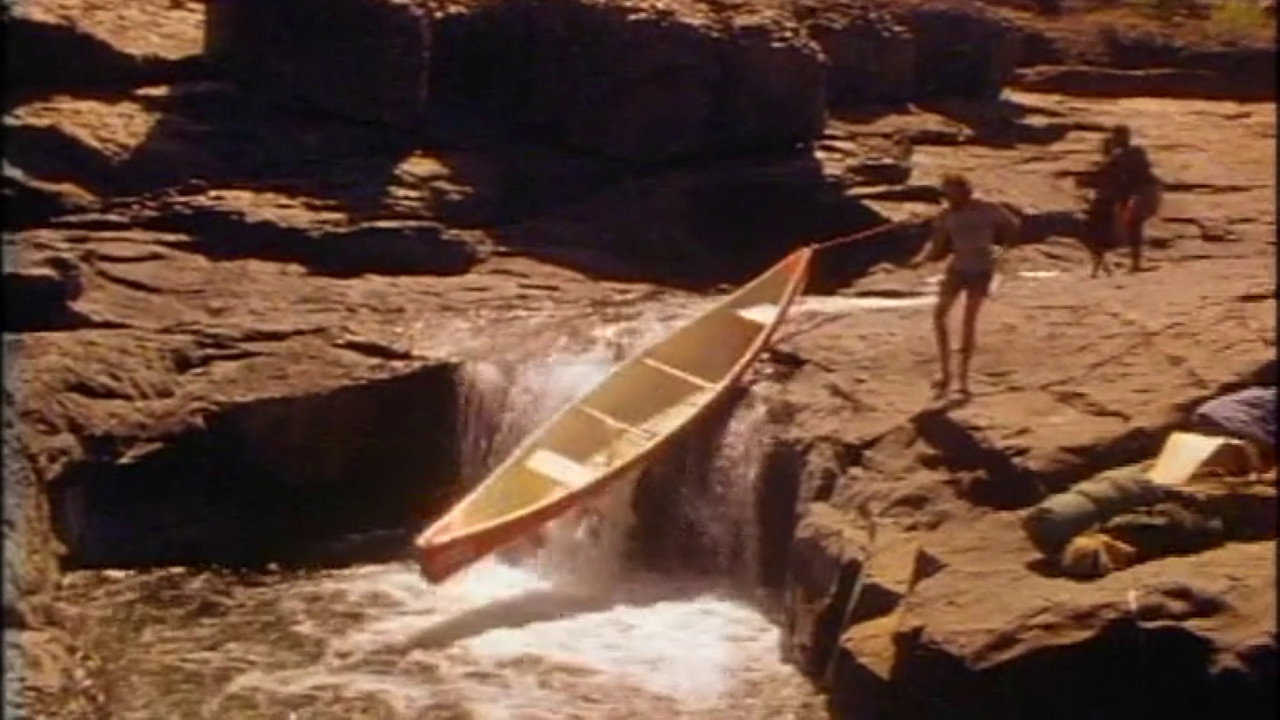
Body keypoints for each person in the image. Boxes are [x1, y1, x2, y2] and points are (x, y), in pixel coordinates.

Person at [909, 174, 1020, 398]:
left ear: (963, 190)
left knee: (969, 320)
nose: (946, 196)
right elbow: (936, 242)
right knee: (940, 315)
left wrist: (1002, 248)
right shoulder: (947, 215)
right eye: (945, 192)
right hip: (957, 268)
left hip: (982, 270)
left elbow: (1013, 225)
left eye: (950, 191)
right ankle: (945, 374)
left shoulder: (988, 208)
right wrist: (921, 259)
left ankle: (964, 379)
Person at [1083, 125, 1162, 273]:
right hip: (1139, 192)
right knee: (1130, 224)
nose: (1115, 140)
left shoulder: (1133, 152)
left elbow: (1116, 172)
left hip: (1146, 190)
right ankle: (1134, 262)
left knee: (1133, 222)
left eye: (1118, 137)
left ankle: (1135, 263)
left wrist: (1108, 156)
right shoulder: (1122, 155)